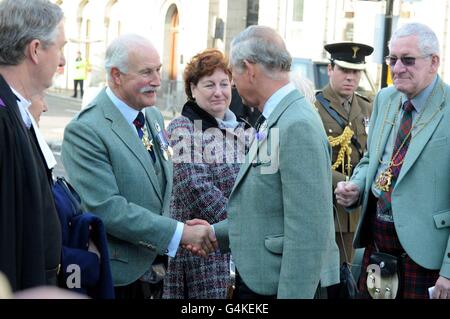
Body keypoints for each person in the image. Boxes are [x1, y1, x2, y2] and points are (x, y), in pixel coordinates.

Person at [61, 34, 217, 299]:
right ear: (116, 75)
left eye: (157, 70)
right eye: (146, 72)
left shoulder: (152, 116)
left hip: (160, 272)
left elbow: (161, 188)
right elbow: (107, 208)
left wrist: (185, 227)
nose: (157, 80)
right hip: (119, 278)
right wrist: (180, 233)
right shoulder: (86, 129)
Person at [190, 25, 340, 299]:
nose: (232, 84)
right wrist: (214, 233)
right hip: (266, 279)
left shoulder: (296, 123)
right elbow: (268, 210)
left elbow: (309, 231)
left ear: (249, 69)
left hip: (280, 286)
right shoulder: (280, 116)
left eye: (233, 74)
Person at [335, 22, 450, 299]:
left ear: (433, 62)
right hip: (379, 246)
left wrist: (449, 271)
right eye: (392, 59)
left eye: (408, 60)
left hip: (427, 258)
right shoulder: (386, 98)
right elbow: (371, 160)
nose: (397, 68)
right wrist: (358, 186)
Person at [162, 49, 248, 299]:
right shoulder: (182, 127)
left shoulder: (242, 128)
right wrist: (243, 225)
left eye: (224, 83)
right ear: (193, 88)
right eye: (209, 84)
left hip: (237, 251)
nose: (219, 92)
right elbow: (194, 187)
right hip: (202, 254)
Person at [0, 0, 66, 291]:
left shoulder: (16, 110)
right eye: (61, 47)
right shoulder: (3, 119)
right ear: (36, 49)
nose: (63, 61)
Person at [314, 42, 374, 267]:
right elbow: (310, 161)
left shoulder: (369, 107)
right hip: (326, 208)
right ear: (330, 69)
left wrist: (358, 186)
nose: (351, 77)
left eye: (356, 71)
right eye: (344, 70)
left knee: (351, 278)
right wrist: (345, 184)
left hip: (357, 213)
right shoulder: (314, 108)